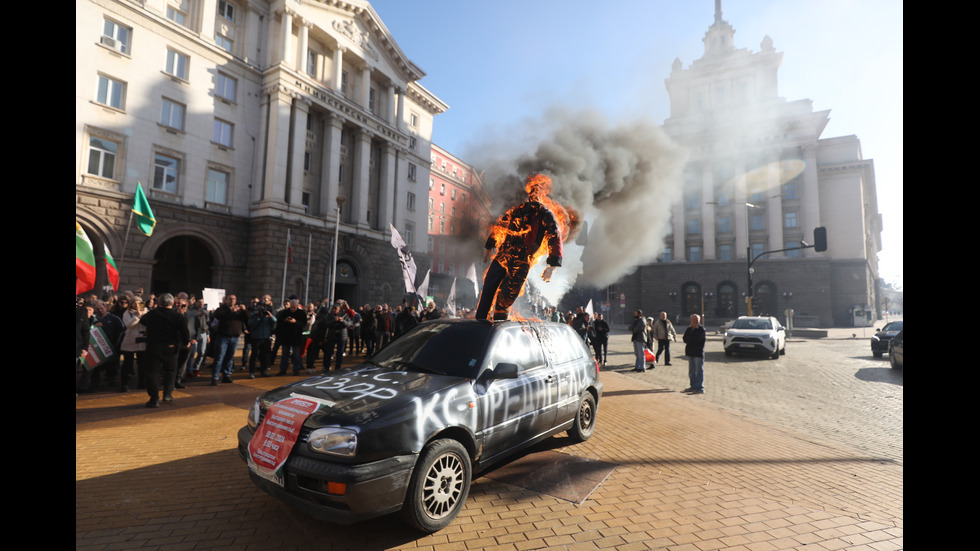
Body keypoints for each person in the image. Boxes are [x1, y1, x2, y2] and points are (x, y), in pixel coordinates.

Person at [476, 173, 564, 321]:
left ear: (542, 196)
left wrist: (552, 265)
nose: (534, 195)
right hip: (503, 255)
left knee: (506, 297)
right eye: (532, 192)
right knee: (488, 288)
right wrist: (489, 246)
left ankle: (498, 323)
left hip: (521, 260)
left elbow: (554, 236)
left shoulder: (545, 215)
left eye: (537, 192)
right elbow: (500, 226)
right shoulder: (516, 211)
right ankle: (479, 323)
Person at [139, 293, 190, 407]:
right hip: (170, 347)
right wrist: (186, 343)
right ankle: (167, 394)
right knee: (171, 371)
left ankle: (154, 397)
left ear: (159, 303)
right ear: (173, 303)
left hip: (154, 346)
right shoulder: (178, 316)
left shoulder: (152, 314)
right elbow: (184, 332)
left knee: (151, 372)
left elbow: (142, 321)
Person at [211, 294, 249, 385]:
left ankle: (226, 375)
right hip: (223, 336)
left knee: (230, 357)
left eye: (234, 299)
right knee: (219, 357)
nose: (232, 300)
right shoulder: (221, 309)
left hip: (235, 337)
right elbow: (218, 317)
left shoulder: (239, 310)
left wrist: (244, 310)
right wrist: (231, 312)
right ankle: (215, 377)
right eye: (230, 299)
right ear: (226, 300)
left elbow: (248, 317)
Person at [276, 297, 307, 376]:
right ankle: (283, 370)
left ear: (297, 306)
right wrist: (285, 320)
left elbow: (304, 324)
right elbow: (279, 322)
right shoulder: (285, 312)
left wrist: (295, 322)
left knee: (296, 354)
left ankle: (296, 370)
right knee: (284, 355)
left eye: (294, 307)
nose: (292, 309)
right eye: (291, 307)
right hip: (286, 337)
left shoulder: (301, 313)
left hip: (296, 337)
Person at [682, 314, 706, 394]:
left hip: (698, 353)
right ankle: (693, 386)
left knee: (698, 371)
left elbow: (698, 340)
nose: (695, 321)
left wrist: (690, 340)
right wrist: (691, 340)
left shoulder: (701, 330)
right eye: (693, 319)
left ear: (699, 321)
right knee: (691, 371)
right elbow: (685, 339)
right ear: (691, 320)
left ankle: (700, 388)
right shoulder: (689, 329)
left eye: (696, 320)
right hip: (690, 352)